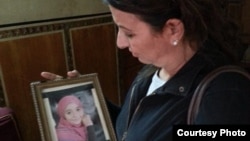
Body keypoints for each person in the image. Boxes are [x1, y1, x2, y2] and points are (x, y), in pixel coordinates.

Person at [41, 0, 250, 140]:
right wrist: (90, 103)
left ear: (173, 29)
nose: (120, 43)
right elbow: (133, 129)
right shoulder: (151, 70)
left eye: (129, 33)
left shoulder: (223, 95)